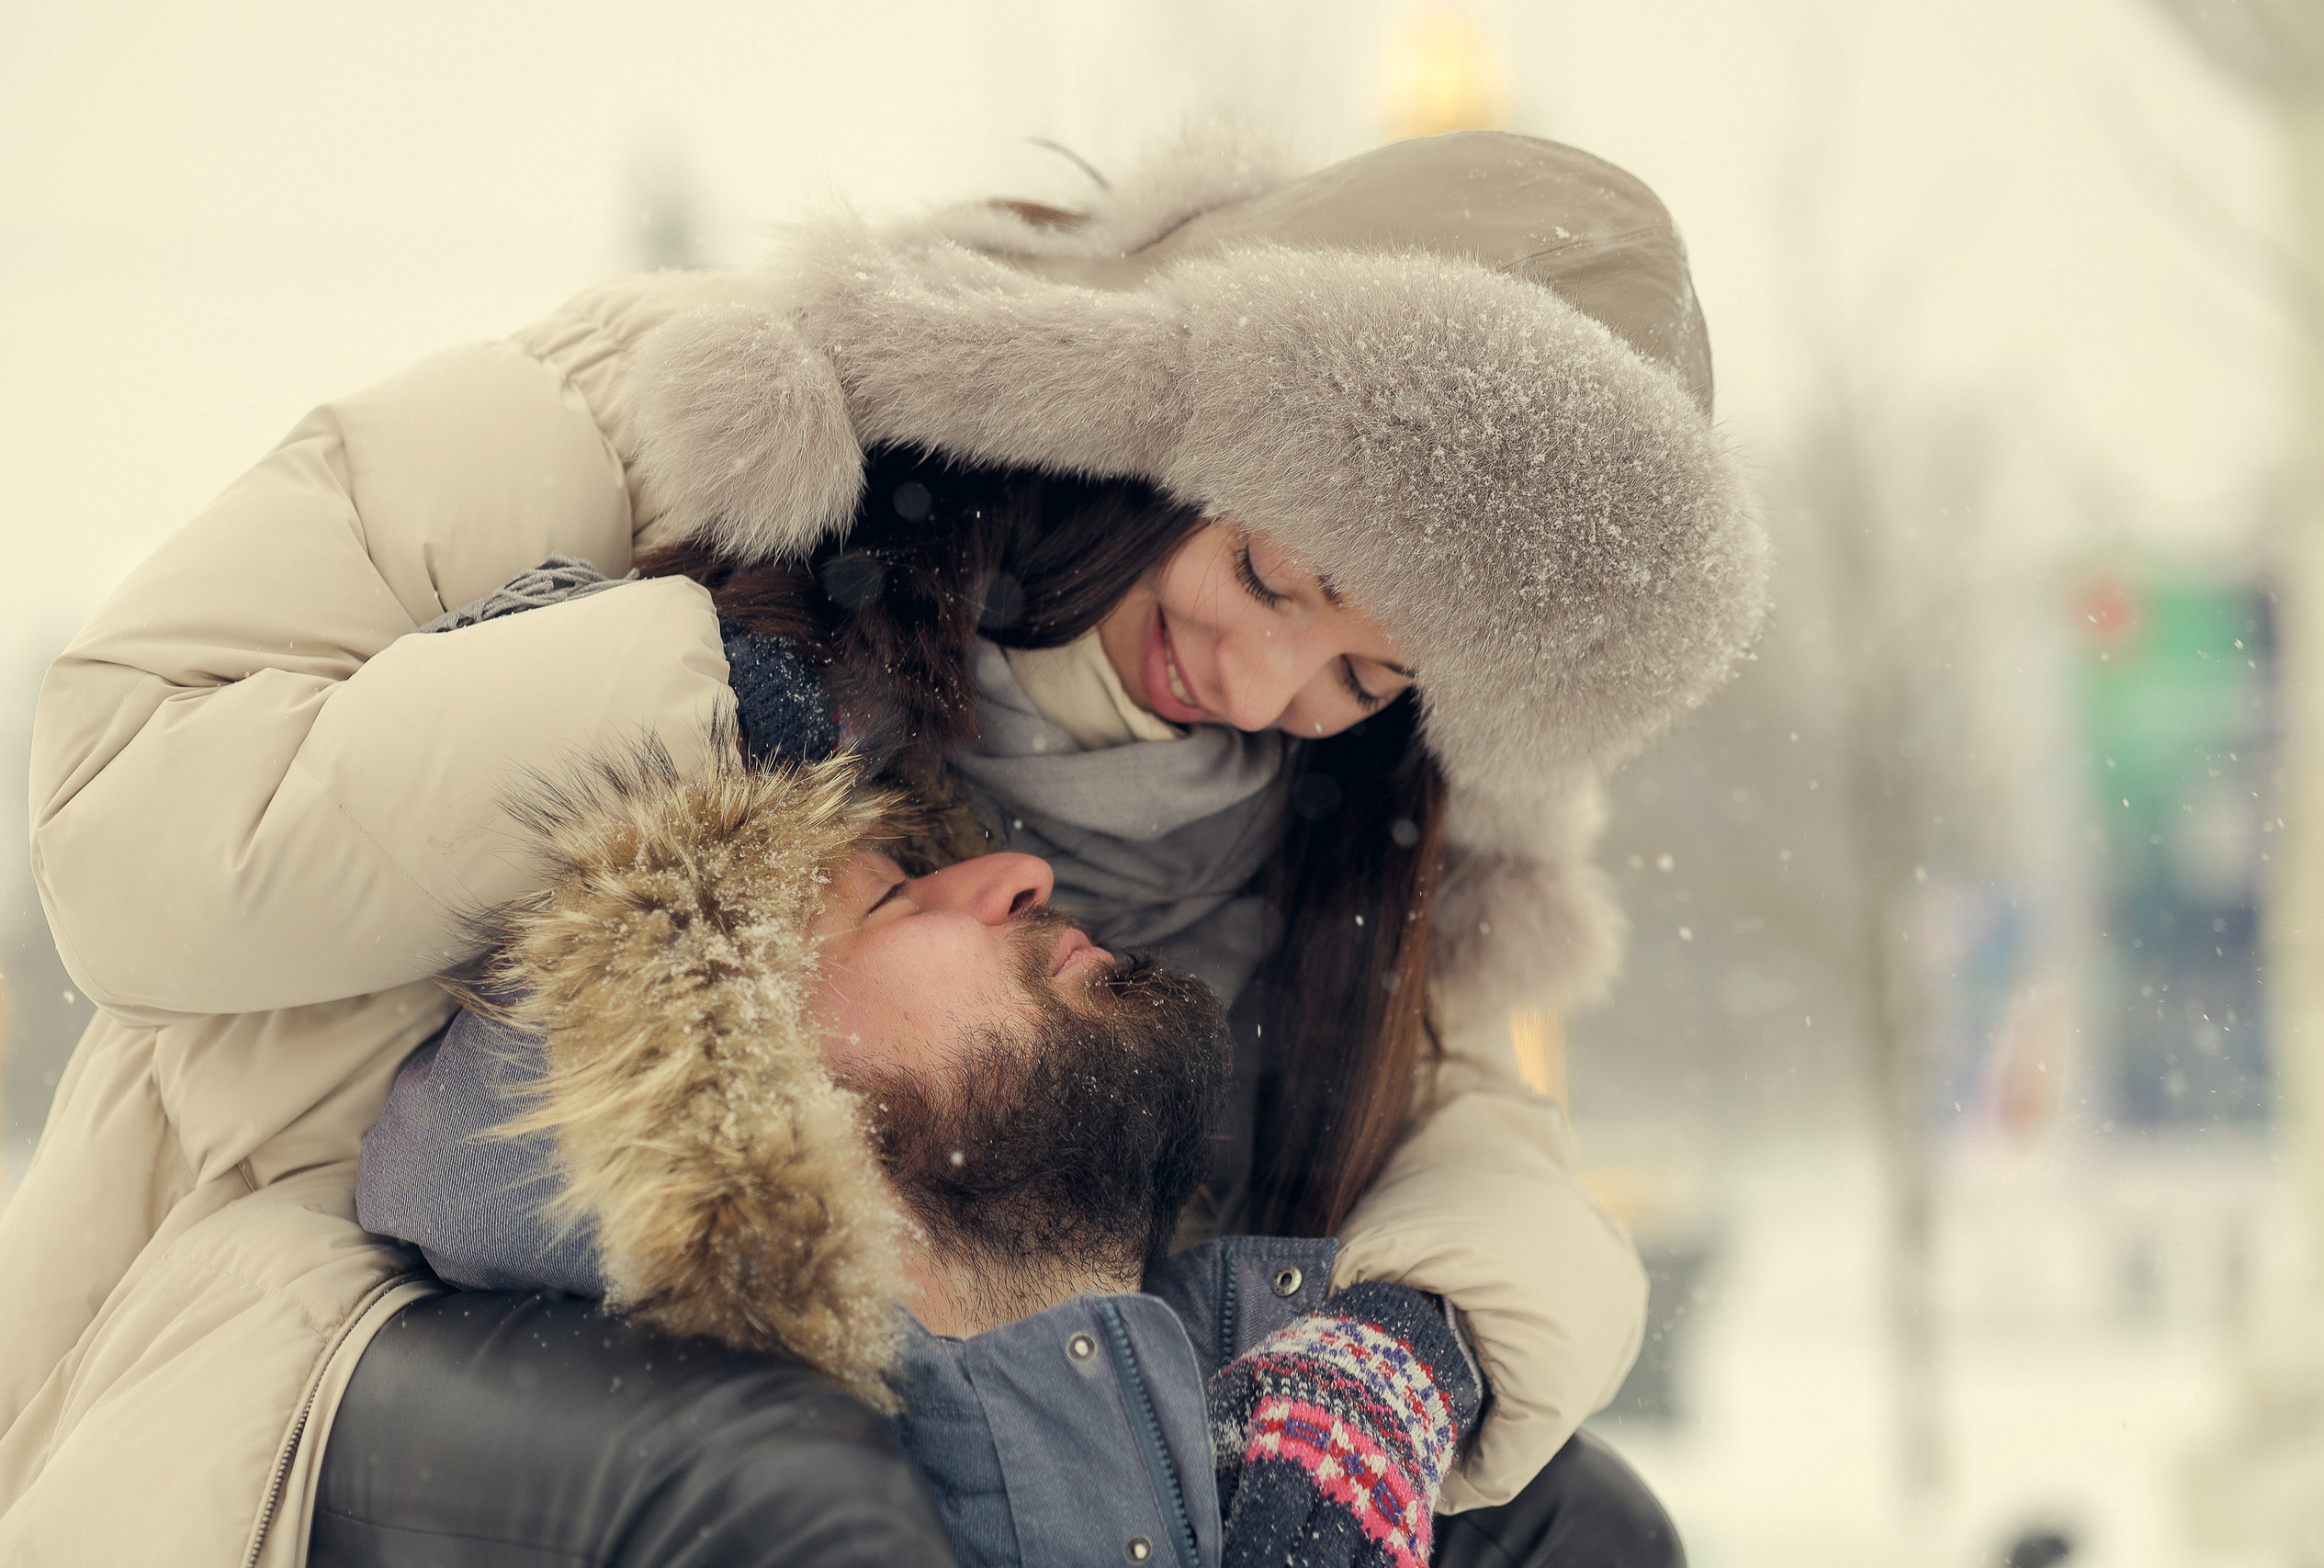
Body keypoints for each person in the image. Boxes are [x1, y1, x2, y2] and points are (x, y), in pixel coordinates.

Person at [0, 128, 1762, 1564]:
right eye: (1269, 574)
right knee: (781, 1489)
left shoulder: (1320, 829)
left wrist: (1415, 1337)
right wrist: (702, 688)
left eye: (1367, 676)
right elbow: (125, 842)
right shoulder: (678, 429)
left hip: (987, 1398)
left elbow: (1472, 1137)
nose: (1259, 684)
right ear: (1172, 428)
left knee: (1574, 1523)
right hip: (340, 1333)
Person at [333, 698, 1487, 1568]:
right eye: (889, 898)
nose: (1021, 874)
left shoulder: (1365, 1436)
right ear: (745, 1087)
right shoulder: (758, 1513)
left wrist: (1388, 1362)